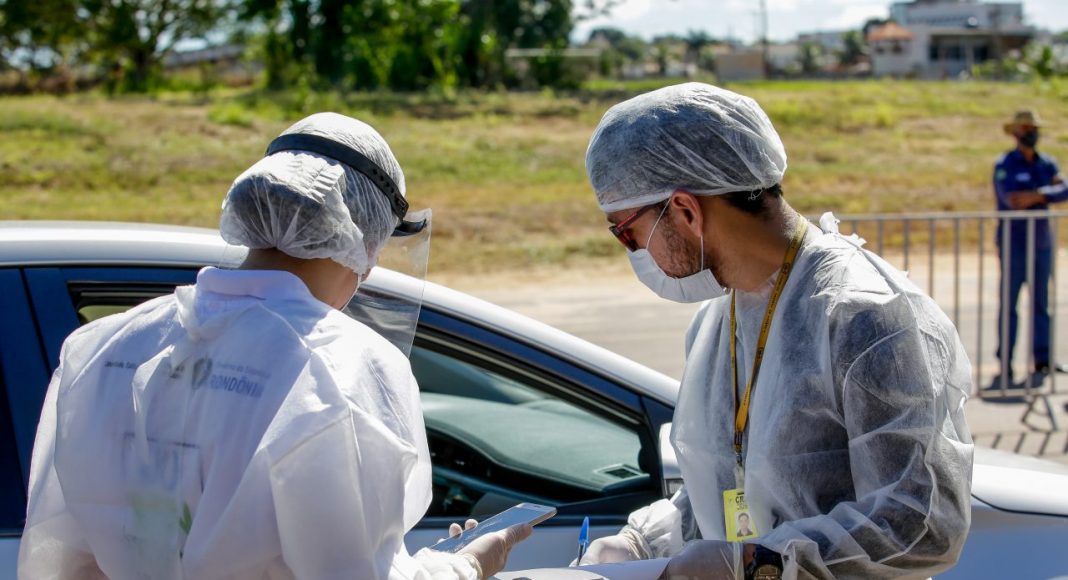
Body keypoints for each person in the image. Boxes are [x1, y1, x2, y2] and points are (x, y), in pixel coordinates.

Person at [18, 112, 530, 580]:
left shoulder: (102, 346)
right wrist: (467, 565)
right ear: (366, 238)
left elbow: (60, 558)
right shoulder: (346, 369)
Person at [578, 83, 974, 579]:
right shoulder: (720, 319)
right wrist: (642, 542)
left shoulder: (867, 317)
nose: (632, 250)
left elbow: (921, 525)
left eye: (625, 230)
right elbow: (738, 481)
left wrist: (757, 563)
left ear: (685, 210)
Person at [992, 110, 1068, 388]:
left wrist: (1036, 195)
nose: (1031, 133)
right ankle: (1005, 362)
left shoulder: (1047, 162)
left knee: (1041, 304)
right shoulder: (1005, 164)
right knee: (1009, 305)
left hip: (1041, 243)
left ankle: (1043, 359)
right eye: (1026, 128)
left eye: (1033, 128)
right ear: (1015, 133)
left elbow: (1065, 190)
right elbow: (1012, 199)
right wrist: (1046, 194)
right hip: (1014, 243)